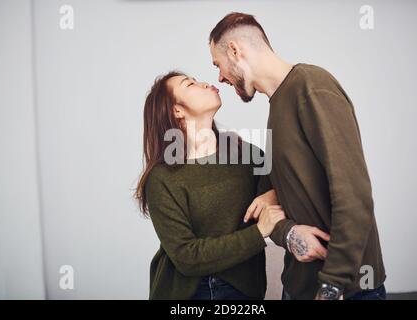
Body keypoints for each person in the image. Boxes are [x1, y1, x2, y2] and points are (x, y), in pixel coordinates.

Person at [209, 12, 386, 300]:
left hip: (344, 290)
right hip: (298, 286)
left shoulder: (311, 86)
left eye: (218, 64)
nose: (220, 77)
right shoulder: (277, 105)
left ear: (234, 50)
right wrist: (289, 233)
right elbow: (265, 207)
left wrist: (332, 284)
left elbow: (354, 195)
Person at [135, 71, 286, 300]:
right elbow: (186, 257)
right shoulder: (162, 178)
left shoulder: (247, 155)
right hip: (188, 293)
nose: (205, 83)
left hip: (244, 290)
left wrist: (272, 194)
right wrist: (257, 233)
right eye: (190, 84)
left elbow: (288, 186)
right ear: (177, 110)